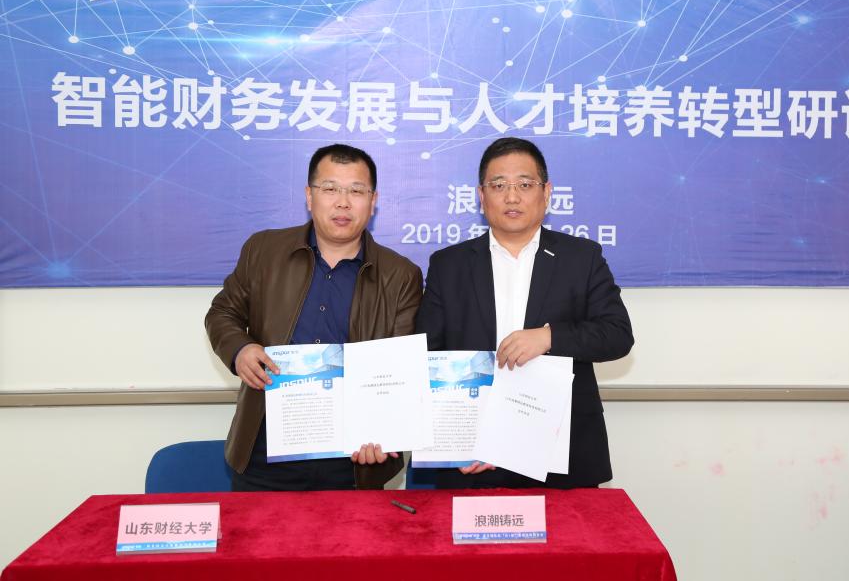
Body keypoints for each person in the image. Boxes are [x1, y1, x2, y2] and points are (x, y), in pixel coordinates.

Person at [415, 137, 633, 488]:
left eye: (525, 185)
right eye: (499, 185)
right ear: (481, 195)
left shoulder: (582, 258)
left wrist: (549, 337)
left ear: (546, 192)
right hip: (474, 456)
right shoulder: (449, 265)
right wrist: (456, 440)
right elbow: (428, 355)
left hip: (560, 454)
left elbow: (617, 335)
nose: (512, 197)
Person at [206, 143, 422, 491]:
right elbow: (223, 312)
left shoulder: (400, 275)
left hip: (353, 461)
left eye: (356, 191)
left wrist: (384, 432)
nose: (343, 202)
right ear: (309, 196)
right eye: (330, 189)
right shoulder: (263, 251)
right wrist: (240, 349)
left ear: (373, 201)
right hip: (265, 451)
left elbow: (399, 366)